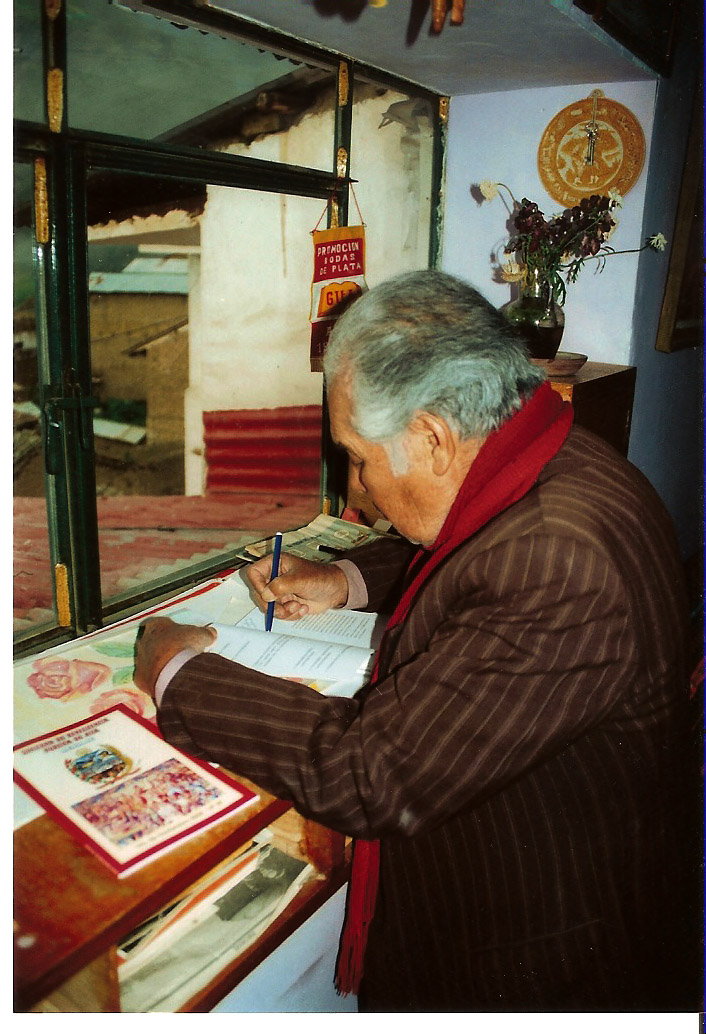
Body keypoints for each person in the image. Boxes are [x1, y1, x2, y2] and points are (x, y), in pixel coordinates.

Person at [135, 270, 692, 1012]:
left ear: (433, 437)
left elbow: (370, 774)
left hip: (536, 966)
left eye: (360, 458)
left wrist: (178, 669)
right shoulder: (561, 459)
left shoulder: (560, 562)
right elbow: (478, 541)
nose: (358, 489)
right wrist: (340, 580)